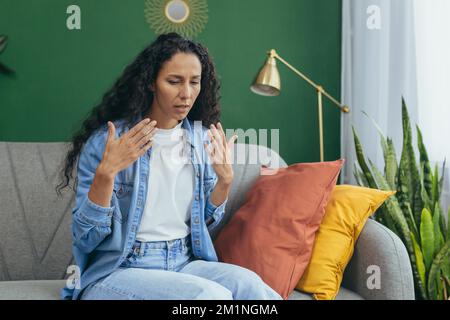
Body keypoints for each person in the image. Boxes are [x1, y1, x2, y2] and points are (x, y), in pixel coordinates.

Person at [56, 32, 282, 300]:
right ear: (151, 82)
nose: (186, 94)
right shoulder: (109, 142)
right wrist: (105, 175)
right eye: (174, 81)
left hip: (183, 261)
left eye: (194, 82)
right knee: (209, 296)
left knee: (252, 287)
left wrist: (224, 182)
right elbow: (86, 238)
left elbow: (204, 223)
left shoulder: (200, 139)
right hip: (119, 269)